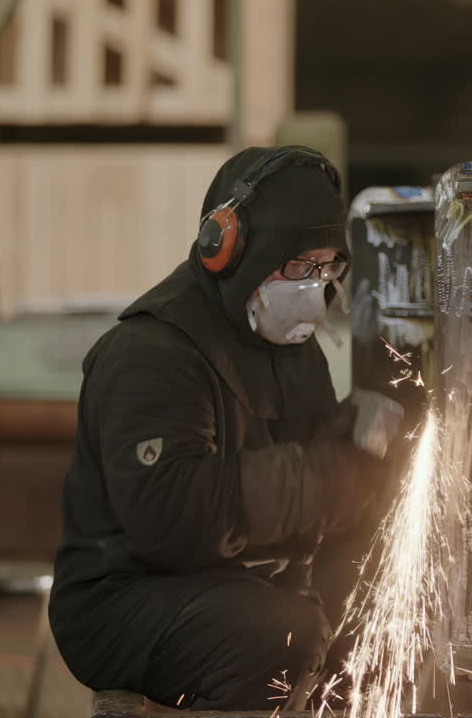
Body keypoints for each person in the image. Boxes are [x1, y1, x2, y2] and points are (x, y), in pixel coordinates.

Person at [48, 146, 403, 710]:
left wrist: (373, 463)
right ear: (228, 250)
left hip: (248, 578)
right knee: (284, 633)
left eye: (327, 266)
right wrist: (333, 472)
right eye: (296, 267)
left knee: (384, 606)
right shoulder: (151, 353)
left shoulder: (293, 349)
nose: (314, 287)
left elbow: (320, 478)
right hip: (123, 599)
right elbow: (173, 518)